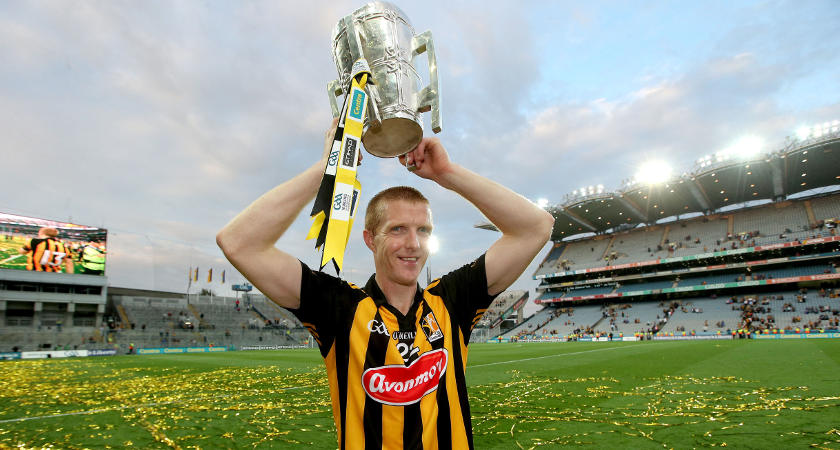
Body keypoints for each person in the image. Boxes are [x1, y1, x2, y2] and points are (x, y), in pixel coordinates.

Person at [217, 119, 554, 449]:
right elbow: (238, 243)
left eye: (423, 231)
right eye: (397, 229)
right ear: (370, 239)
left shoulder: (452, 300)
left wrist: (446, 174)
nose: (414, 244)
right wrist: (327, 169)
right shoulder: (340, 308)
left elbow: (536, 227)